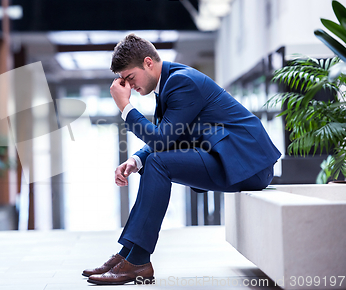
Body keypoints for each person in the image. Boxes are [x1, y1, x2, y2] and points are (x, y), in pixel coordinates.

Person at [83, 34, 281, 285]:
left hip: (247, 165)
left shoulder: (181, 82)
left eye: (130, 78)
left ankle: (138, 260)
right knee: (154, 161)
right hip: (227, 158)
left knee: (159, 163)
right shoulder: (170, 83)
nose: (129, 86)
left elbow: (162, 142)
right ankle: (128, 255)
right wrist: (136, 159)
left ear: (148, 63)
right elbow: (170, 135)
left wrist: (125, 108)